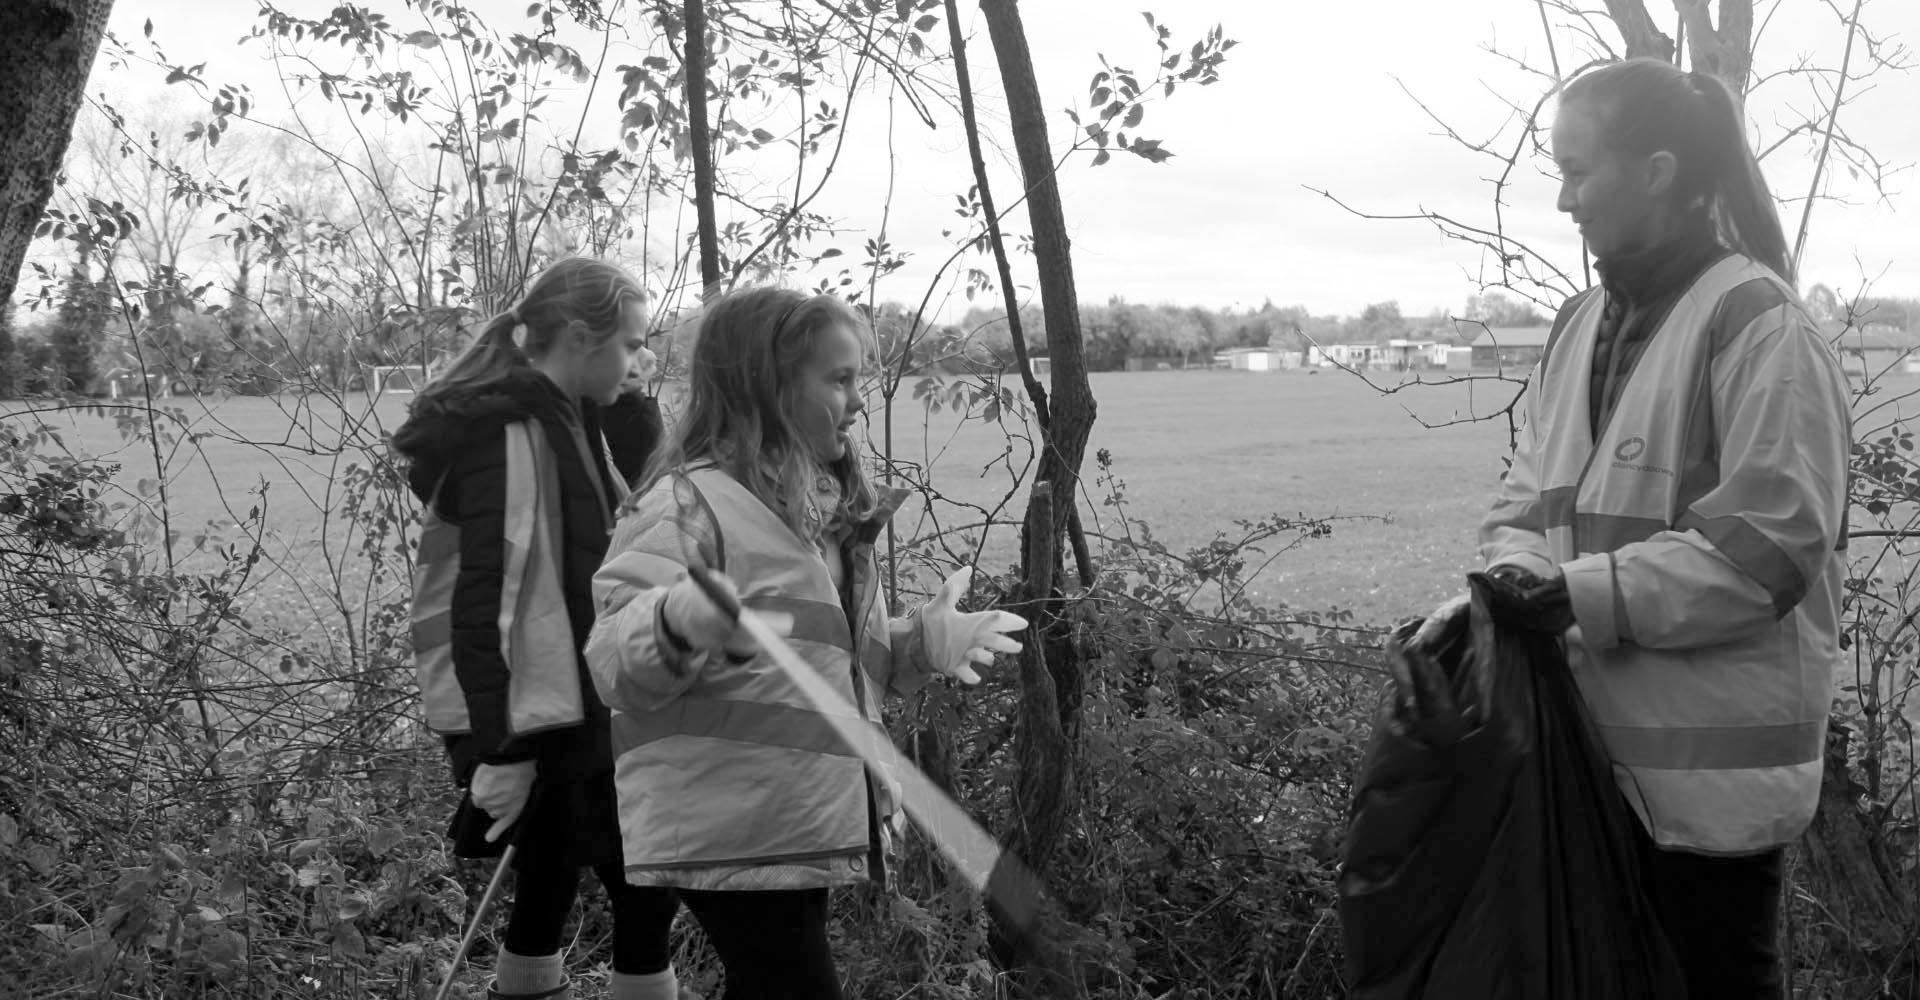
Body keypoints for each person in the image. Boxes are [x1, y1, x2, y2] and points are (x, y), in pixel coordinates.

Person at [1442, 58, 1851, 999]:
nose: (1562, 199)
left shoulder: (1762, 325)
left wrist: (1572, 594)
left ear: (1658, 171)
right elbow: (1526, 501)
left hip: (1709, 801)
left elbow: (1767, 549)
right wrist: (1512, 570)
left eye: (1579, 171)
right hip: (1584, 762)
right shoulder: (1580, 321)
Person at [582, 286, 1025, 999]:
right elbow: (613, 662)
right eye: (839, 379)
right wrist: (676, 620)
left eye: (860, 379)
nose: (857, 400)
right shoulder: (685, 505)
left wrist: (921, 647)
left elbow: (835, 662)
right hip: (727, 817)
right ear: (768, 384)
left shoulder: (823, 511)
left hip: (794, 814)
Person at [394, 257, 684, 1000]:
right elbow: (488, 602)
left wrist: (624, 414)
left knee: (570, 873)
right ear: (582, 338)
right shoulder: (512, 438)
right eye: (631, 342)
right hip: (530, 712)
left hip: (568, 699)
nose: (642, 358)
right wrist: (501, 749)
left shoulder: (567, 418)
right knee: (640, 868)